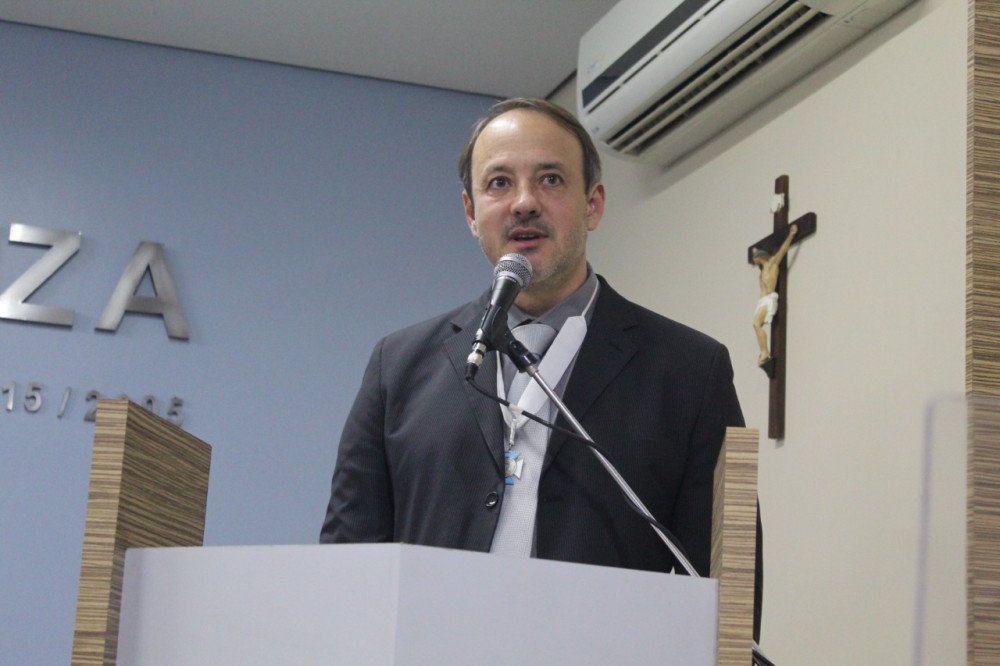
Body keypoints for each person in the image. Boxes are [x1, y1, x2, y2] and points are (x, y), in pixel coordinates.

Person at [320, 98, 745, 580]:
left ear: (594, 204)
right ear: (471, 212)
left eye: (551, 179)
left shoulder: (690, 371)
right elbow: (347, 561)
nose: (524, 202)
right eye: (499, 183)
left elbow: (725, 589)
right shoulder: (396, 367)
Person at [752, 224, 798, 366]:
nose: (754, 261)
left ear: (760, 257)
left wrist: (791, 235)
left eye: (756, 258)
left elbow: (783, 250)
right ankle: (764, 351)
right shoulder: (761, 271)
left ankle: (765, 352)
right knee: (756, 325)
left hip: (769, 299)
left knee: (756, 324)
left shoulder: (772, 263)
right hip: (762, 300)